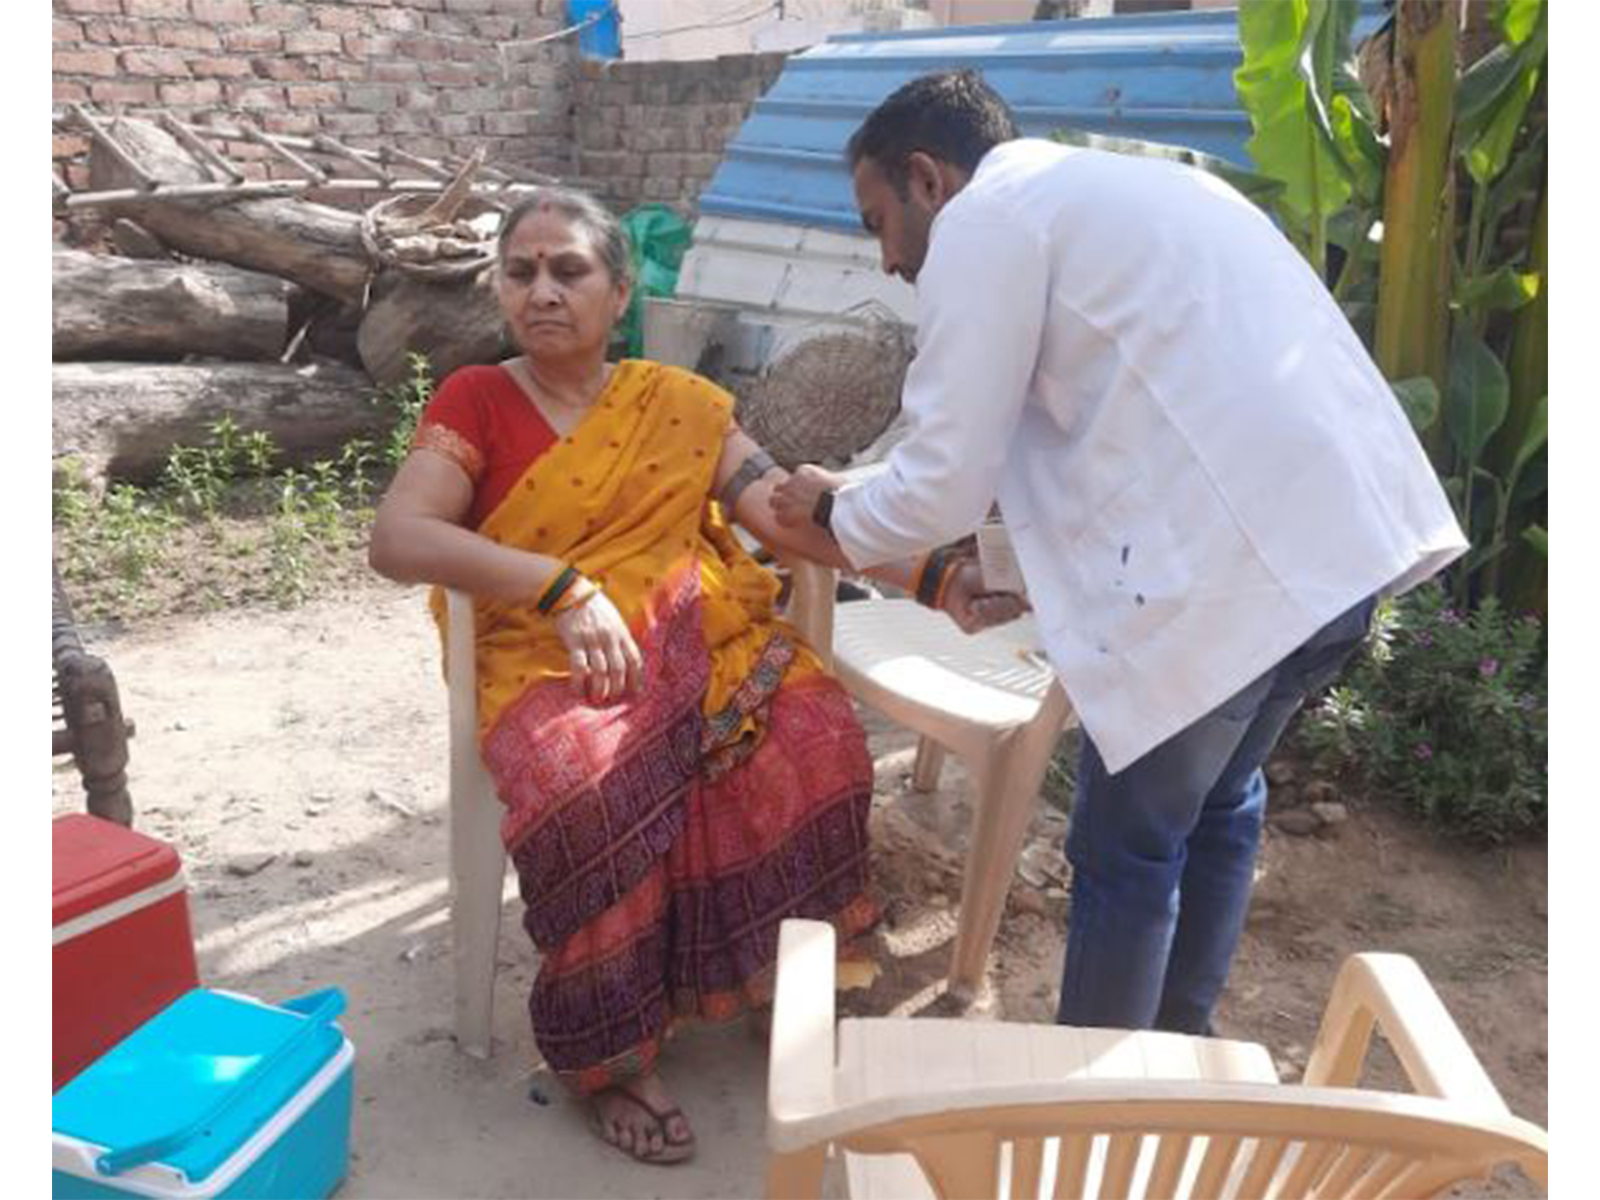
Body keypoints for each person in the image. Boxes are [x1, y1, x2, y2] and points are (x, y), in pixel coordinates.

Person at [772, 70, 1467, 1037]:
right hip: (1342, 557)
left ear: (928, 178)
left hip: (1228, 592)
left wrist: (830, 515)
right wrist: (995, 569)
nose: (887, 258)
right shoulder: (1151, 190)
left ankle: (1097, 1121)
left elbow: (941, 480)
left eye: (877, 218)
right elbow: (1099, 428)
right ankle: (1172, 1063)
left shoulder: (987, 221)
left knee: (1128, 853)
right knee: (1223, 803)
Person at [367, 186, 886, 1166]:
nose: (542, 291)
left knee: (816, 731)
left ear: (619, 289)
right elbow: (400, 536)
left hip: (686, 630)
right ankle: (607, 1053)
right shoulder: (475, 399)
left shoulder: (678, 403)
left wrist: (931, 568)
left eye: (569, 270)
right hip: (537, 650)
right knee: (587, 783)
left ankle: (783, 978)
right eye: (520, 272)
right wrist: (558, 585)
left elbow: (776, 513)